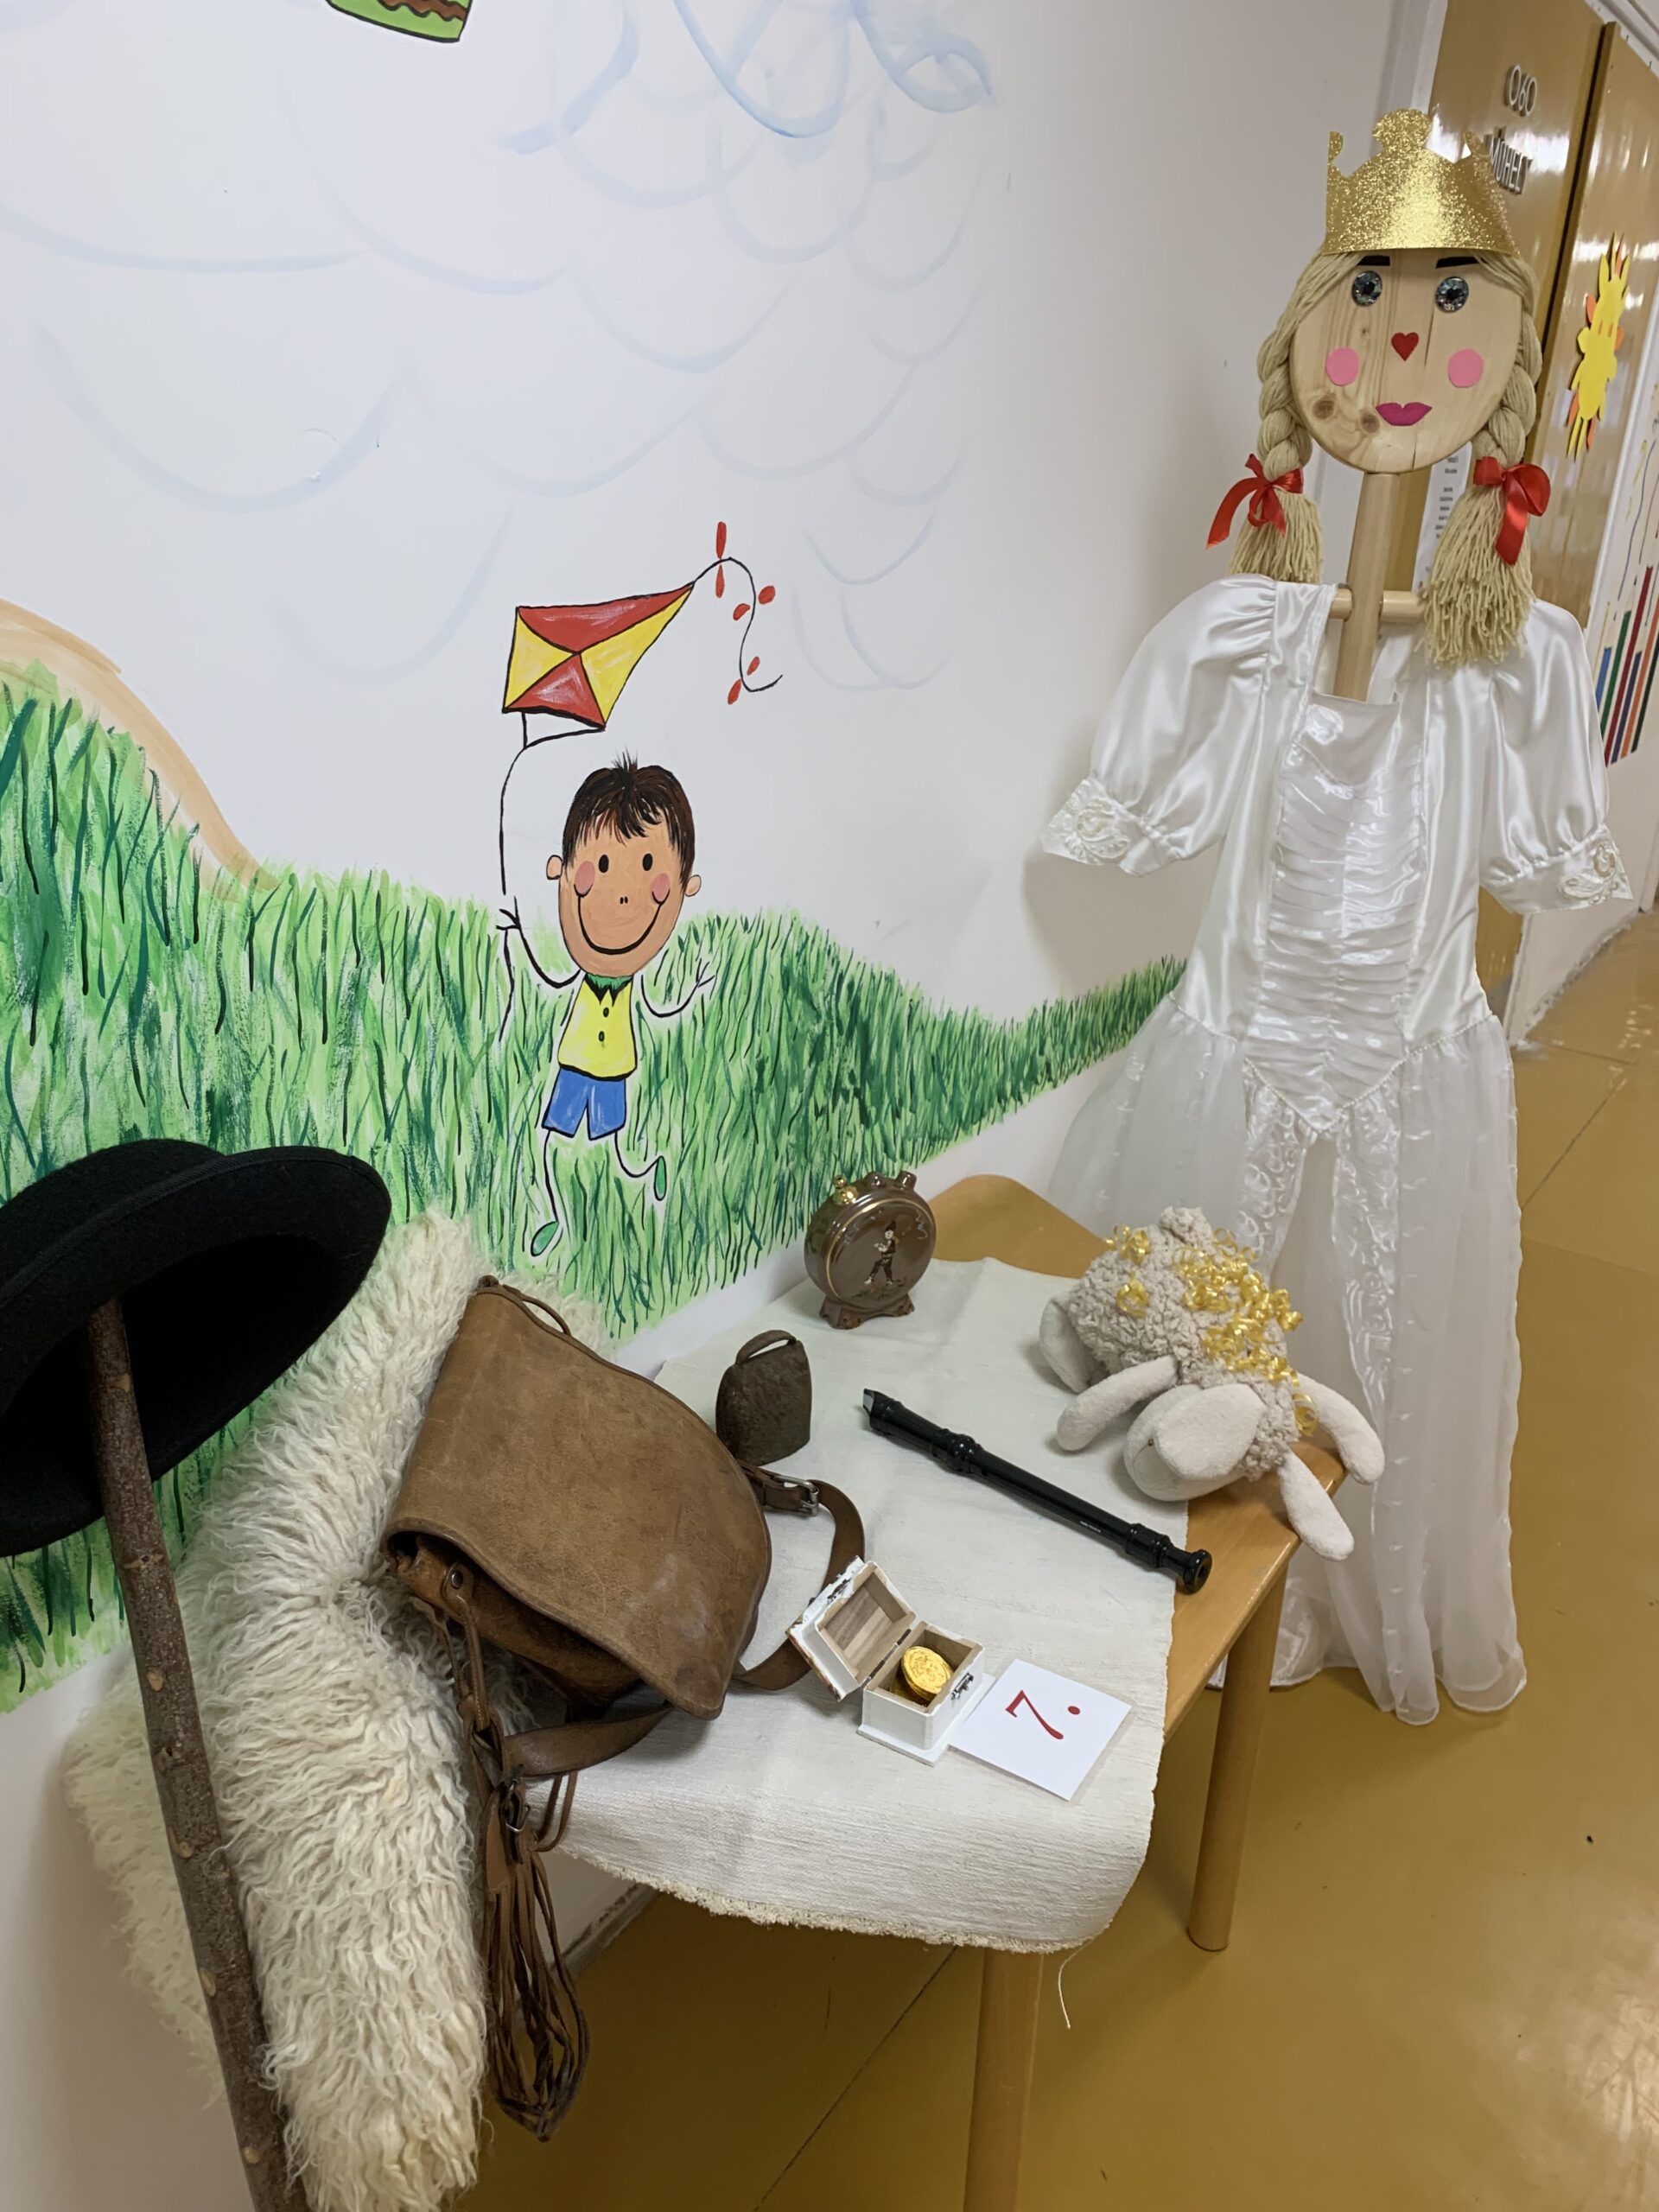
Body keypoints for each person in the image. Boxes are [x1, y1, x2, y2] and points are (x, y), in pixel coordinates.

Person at [501, 755, 714, 1250]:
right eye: (601, 866)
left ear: (686, 886)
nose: (622, 896)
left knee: (612, 1146)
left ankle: (642, 1173)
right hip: (575, 1063)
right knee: (553, 1138)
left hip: (616, 1067)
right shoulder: (580, 978)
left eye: (648, 867)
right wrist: (519, 939)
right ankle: (553, 1213)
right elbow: (550, 979)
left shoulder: (633, 985)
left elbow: (658, 1010)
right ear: (560, 871)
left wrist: (692, 993)